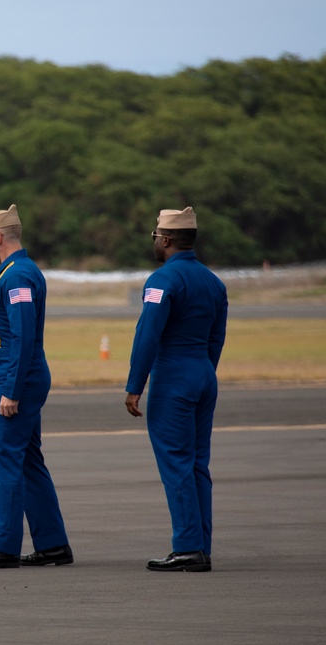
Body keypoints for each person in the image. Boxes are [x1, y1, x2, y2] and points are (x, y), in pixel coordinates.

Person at [0, 205, 73, 569]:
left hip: (18, 377)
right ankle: (52, 543)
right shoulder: (13, 272)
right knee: (28, 460)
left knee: (8, 458)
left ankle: (3, 546)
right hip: (19, 371)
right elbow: (7, 331)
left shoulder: (18, 277)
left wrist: (11, 389)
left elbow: (24, 337)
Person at [124, 206, 228, 573]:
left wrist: (135, 385)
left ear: (165, 239)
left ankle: (187, 546)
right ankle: (201, 544)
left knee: (176, 462)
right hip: (203, 372)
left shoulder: (162, 280)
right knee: (198, 463)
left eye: (155, 236)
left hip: (173, 375)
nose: (154, 241)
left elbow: (148, 335)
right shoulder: (214, 282)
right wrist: (203, 372)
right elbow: (217, 337)